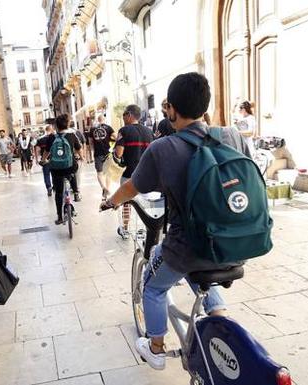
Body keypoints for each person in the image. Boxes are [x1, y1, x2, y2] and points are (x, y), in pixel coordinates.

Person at [101, 72, 250, 371]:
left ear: (170, 109)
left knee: (154, 286)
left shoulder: (164, 148)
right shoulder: (232, 135)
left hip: (188, 245)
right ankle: (220, 321)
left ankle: (156, 348)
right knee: (199, 268)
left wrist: (111, 201)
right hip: (234, 243)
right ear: (204, 106)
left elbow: (132, 187)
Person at [114, 104, 155, 239]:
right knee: (146, 203)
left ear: (130, 115)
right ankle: (143, 229)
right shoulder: (149, 132)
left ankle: (125, 229)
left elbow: (119, 154)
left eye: (124, 114)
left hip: (129, 174)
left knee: (127, 202)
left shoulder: (124, 131)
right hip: (147, 175)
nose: (123, 117)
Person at [43, 114, 83, 225]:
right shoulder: (72, 135)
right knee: (73, 169)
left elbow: (46, 152)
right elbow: (79, 149)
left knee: (59, 192)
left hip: (56, 168)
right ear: (67, 124)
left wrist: (43, 160)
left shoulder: (51, 137)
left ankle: (60, 217)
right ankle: (76, 192)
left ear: (56, 126)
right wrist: (82, 157)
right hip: (69, 166)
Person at [90, 114, 116, 199]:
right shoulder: (108, 127)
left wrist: (91, 153)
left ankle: (104, 188)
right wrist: (111, 142)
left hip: (98, 153)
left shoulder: (92, 129)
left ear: (98, 120)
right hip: (107, 152)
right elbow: (116, 138)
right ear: (104, 119)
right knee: (108, 172)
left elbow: (90, 143)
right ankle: (108, 189)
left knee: (99, 173)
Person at [35, 124, 55, 196]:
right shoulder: (55, 137)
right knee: (54, 174)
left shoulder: (40, 139)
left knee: (46, 175)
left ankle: (49, 187)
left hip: (45, 160)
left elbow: (37, 149)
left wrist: (37, 159)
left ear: (45, 130)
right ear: (52, 129)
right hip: (54, 160)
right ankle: (55, 186)